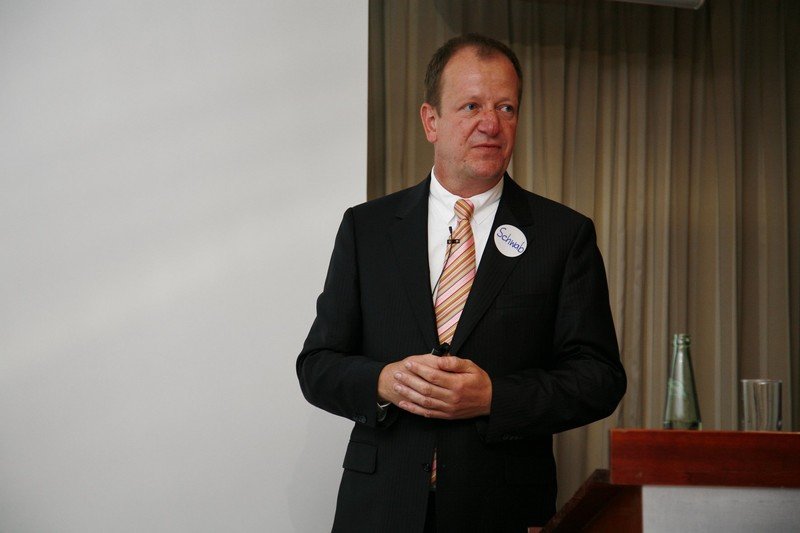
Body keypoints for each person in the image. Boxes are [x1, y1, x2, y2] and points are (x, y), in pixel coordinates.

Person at [296, 33, 626, 533]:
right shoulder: (367, 228)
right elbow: (318, 365)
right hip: (379, 509)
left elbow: (599, 379)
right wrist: (384, 382)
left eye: (506, 108)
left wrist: (494, 397)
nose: (491, 124)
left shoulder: (563, 235)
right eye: (472, 106)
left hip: (501, 509)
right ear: (431, 120)